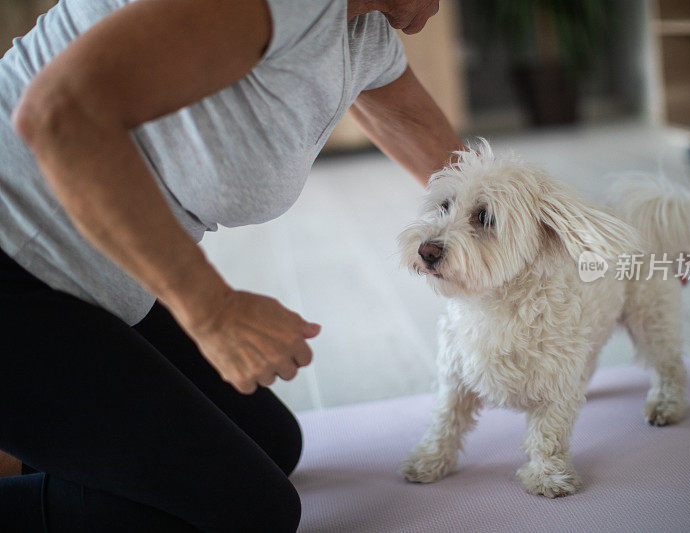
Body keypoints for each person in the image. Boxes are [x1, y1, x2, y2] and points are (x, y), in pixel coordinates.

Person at [0, 0, 462, 530]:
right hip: (13, 269)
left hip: (89, 283)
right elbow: (57, 115)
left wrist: (529, 232)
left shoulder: (363, 34)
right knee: (248, 514)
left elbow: (427, 138)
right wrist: (211, 310)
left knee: (270, 442)